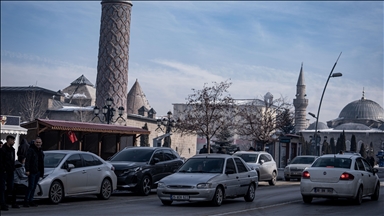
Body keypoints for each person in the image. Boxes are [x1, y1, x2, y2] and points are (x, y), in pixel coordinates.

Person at [24, 137, 44, 207]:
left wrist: (42, 172)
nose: (38, 144)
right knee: (31, 186)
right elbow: (27, 161)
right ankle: (26, 201)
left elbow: (42, 162)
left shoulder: (41, 151)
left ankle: (31, 200)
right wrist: (27, 170)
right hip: (32, 171)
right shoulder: (31, 150)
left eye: (39, 142)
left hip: (38, 171)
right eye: (37, 142)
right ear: (34, 142)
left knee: (34, 186)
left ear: (41, 143)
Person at [0, 135, 17, 210]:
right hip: (4, 172)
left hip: (10, 171)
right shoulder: (3, 150)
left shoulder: (12, 150)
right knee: (2, 188)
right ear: (8, 141)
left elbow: (12, 160)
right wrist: (3, 169)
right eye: (12, 140)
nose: (14, 142)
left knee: (11, 187)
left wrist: (13, 168)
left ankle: (7, 201)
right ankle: (2, 204)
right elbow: (1, 161)